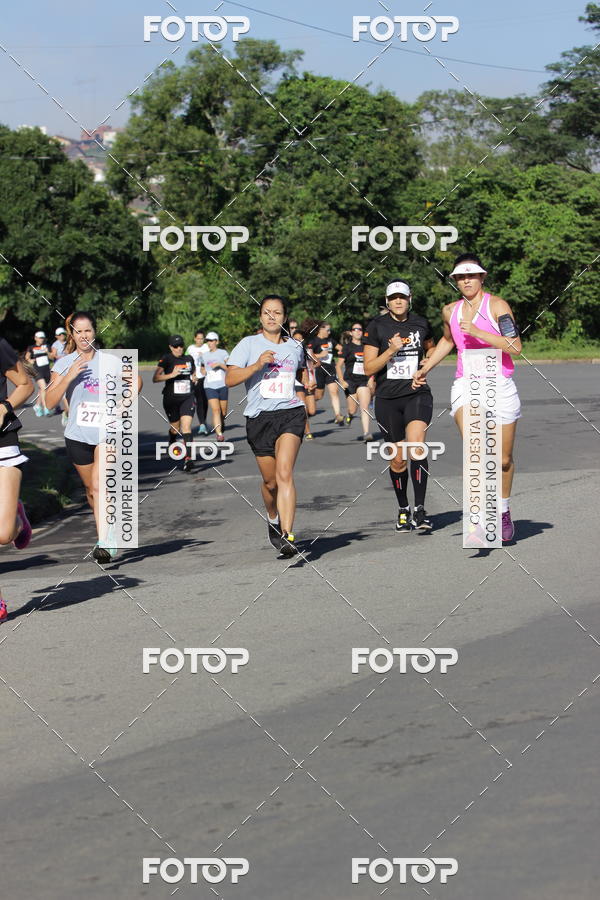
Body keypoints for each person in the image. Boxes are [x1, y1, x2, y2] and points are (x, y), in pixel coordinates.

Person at [413, 253, 522, 541]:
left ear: (482, 277)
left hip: (499, 384)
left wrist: (478, 332)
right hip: (467, 385)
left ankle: (502, 509)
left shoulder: (497, 306)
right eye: (461, 277)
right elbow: (449, 340)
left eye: (472, 276)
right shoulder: (450, 310)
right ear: (455, 281)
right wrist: (426, 366)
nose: (467, 281)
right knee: (477, 451)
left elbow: (515, 346)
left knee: (503, 459)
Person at [226, 296, 308, 557]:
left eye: (277, 313)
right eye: (266, 312)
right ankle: (272, 517)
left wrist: (307, 387)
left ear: (285, 317)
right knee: (270, 482)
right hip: (260, 418)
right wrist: (257, 364)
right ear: (260, 316)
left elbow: (301, 372)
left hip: (291, 414)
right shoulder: (248, 344)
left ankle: (288, 534)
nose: (271, 317)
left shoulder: (295, 346)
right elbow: (230, 379)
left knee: (285, 473)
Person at [364, 279, 435, 533]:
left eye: (402, 297)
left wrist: (426, 364)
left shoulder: (421, 323)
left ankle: (421, 509)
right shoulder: (376, 326)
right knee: (397, 460)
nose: (398, 301)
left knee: (416, 445)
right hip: (387, 399)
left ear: (409, 298)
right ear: (387, 301)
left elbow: (433, 348)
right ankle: (404, 508)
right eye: (393, 297)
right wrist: (391, 350)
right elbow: (368, 367)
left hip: (416, 393)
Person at [46, 312, 118, 561]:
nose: (84, 336)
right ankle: (107, 526)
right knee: (90, 490)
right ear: (72, 335)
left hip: (107, 432)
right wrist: (69, 376)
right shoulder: (64, 364)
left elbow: (136, 382)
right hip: (77, 433)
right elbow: (48, 401)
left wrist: (124, 403)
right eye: (79, 331)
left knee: (100, 486)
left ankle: (106, 542)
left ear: (95, 332)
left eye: (88, 330)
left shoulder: (110, 361)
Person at [0, 337, 34, 622]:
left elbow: (25, 384)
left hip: (2, 443)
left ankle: (17, 516)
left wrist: (4, 407)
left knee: (2, 533)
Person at [153, 336, 197, 473]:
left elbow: (193, 372)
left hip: (188, 397)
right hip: (171, 399)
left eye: (181, 346)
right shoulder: (166, 359)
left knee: (186, 427)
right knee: (175, 428)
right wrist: (171, 375)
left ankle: (188, 459)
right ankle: (172, 438)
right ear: (171, 347)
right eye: (176, 346)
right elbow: (156, 378)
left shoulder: (189, 359)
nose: (179, 348)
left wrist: (195, 377)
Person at [336, 323, 375, 441]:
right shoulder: (347, 347)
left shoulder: (367, 347)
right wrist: (342, 381)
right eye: (355, 329)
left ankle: (367, 433)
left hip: (363, 380)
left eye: (360, 329)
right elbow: (338, 366)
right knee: (353, 409)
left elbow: (373, 364)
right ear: (351, 332)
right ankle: (350, 415)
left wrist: (371, 379)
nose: (358, 331)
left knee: (364, 407)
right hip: (350, 381)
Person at [305, 321, 344, 425]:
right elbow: (308, 355)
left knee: (334, 391)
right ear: (320, 329)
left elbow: (341, 348)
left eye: (330, 330)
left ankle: (338, 415)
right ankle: (308, 404)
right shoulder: (314, 341)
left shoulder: (330, 340)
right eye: (327, 330)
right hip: (319, 370)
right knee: (319, 395)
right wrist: (320, 355)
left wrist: (342, 352)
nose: (329, 332)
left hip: (330, 368)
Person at [200, 332, 229, 441]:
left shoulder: (223, 353)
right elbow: (202, 369)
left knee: (223, 412)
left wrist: (220, 365)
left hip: (222, 385)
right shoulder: (204, 355)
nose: (210, 343)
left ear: (217, 341)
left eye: (212, 341)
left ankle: (221, 423)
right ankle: (219, 434)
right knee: (216, 410)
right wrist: (202, 371)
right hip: (209, 385)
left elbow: (230, 368)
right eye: (208, 341)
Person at [186, 329, 208, 435]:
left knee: (204, 401)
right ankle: (200, 424)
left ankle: (203, 422)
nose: (200, 340)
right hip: (194, 378)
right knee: (196, 402)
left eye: (202, 338)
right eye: (198, 338)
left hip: (205, 377)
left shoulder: (207, 347)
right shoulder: (190, 349)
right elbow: (185, 362)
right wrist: (191, 375)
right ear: (195, 338)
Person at [25, 330, 52, 416]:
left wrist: (47, 351)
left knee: (42, 389)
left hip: (46, 370)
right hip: (37, 371)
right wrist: (30, 360)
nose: (41, 339)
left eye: (42, 338)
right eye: (40, 338)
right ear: (35, 338)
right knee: (44, 387)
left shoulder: (47, 346)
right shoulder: (31, 347)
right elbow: (27, 357)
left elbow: (51, 357)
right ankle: (45, 408)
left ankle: (37, 405)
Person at [51, 327, 69, 423]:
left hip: (69, 368)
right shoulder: (55, 344)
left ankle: (67, 411)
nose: (62, 336)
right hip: (59, 369)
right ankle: (66, 411)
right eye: (60, 334)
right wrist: (61, 356)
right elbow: (53, 355)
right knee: (62, 390)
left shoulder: (68, 343)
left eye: (63, 334)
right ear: (56, 336)